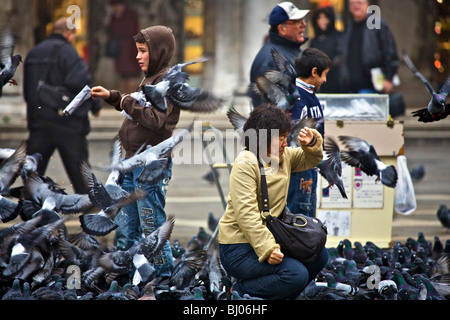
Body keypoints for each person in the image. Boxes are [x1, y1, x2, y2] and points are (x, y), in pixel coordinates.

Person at [91, 26, 179, 280]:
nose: (138, 57)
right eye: (137, 51)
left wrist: (122, 101)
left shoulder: (168, 82)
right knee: (126, 225)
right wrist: (112, 95)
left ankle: (162, 279)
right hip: (132, 162)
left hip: (150, 167)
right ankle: (124, 272)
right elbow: (136, 106)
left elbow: (154, 119)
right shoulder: (150, 79)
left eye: (143, 51)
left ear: (159, 52)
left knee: (151, 225)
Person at [218, 104, 328, 300]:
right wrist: (267, 248)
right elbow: (247, 215)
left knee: (319, 256)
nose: (286, 143)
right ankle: (241, 292)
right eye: (282, 138)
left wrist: (311, 142)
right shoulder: (246, 163)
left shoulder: (283, 156)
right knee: (295, 274)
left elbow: (310, 160)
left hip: (271, 236)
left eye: (287, 137)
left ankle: (280, 294)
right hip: (238, 247)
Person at [24, 17, 101, 195]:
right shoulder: (70, 54)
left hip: (39, 122)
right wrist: (95, 107)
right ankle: (89, 208)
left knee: (33, 172)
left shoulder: (34, 53)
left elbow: (29, 91)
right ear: (69, 34)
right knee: (80, 173)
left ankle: (30, 206)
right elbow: (84, 85)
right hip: (68, 124)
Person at [287, 48, 331, 218]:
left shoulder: (309, 94)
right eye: (324, 75)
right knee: (300, 214)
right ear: (314, 72)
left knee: (308, 211)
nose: (325, 80)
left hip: (310, 166)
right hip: (300, 169)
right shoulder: (299, 98)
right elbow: (292, 137)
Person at [248, 2, 309, 108]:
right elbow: (271, 113)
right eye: (297, 22)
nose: (304, 25)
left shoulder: (291, 49)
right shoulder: (270, 59)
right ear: (282, 29)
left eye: (303, 20)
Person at [339, 0, 399, 94]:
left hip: (372, 86)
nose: (356, 6)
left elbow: (390, 52)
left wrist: (388, 78)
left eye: (359, 2)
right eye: (353, 3)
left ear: (367, 5)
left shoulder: (377, 24)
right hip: (350, 87)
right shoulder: (348, 27)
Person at [106, 0, 142, 93]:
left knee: (130, 75)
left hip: (129, 50)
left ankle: (129, 97)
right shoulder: (114, 16)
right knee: (123, 76)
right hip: (120, 51)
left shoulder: (130, 15)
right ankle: (125, 97)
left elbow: (132, 30)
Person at [309, 6, 343, 93]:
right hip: (318, 84)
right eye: (319, 18)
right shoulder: (314, 41)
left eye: (325, 17)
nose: (322, 21)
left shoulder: (339, 37)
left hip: (337, 84)